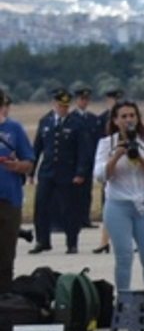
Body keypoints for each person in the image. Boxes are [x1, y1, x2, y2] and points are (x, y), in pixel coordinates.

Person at [92, 100, 144, 301]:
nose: (128, 120)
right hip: (118, 205)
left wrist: (139, 156)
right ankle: (123, 302)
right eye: (123, 116)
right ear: (115, 120)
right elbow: (99, 175)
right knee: (124, 257)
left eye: (132, 115)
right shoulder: (106, 144)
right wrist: (116, 155)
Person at [30, 89, 86, 255]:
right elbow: (37, 148)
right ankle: (43, 240)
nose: (63, 109)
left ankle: (72, 243)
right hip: (47, 172)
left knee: (69, 209)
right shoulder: (45, 121)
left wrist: (80, 172)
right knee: (41, 207)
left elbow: (83, 151)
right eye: (61, 106)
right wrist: (31, 171)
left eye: (66, 106)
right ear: (54, 104)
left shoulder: (76, 123)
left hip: (67, 173)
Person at [0, 89, 35, 286]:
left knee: (5, 260)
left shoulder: (14, 129)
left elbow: (29, 162)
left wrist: (17, 166)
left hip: (9, 200)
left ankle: (4, 304)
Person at [70, 86, 103, 247]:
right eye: (82, 99)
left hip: (90, 160)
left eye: (86, 99)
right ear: (76, 100)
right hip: (75, 162)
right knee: (74, 194)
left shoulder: (92, 119)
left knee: (86, 193)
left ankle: (85, 218)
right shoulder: (72, 119)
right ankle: (74, 219)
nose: (84, 102)